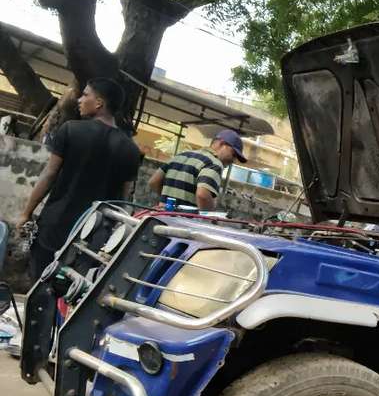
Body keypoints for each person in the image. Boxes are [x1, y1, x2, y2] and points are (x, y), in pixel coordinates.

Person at [16, 78, 142, 280]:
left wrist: (26, 213)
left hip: (56, 225)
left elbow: (49, 174)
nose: (79, 100)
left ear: (99, 103)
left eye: (85, 95)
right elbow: (124, 199)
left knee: (40, 281)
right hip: (94, 235)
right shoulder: (131, 150)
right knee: (74, 289)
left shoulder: (71, 129)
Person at [148, 129, 246, 210]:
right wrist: (208, 215)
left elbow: (153, 181)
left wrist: (168, 201)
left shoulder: (181, 155)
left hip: (161, 215)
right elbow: (202, 195)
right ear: (222, 144)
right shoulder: (214, 163)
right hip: (182, 222)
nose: (233, 160)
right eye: (233, 154)